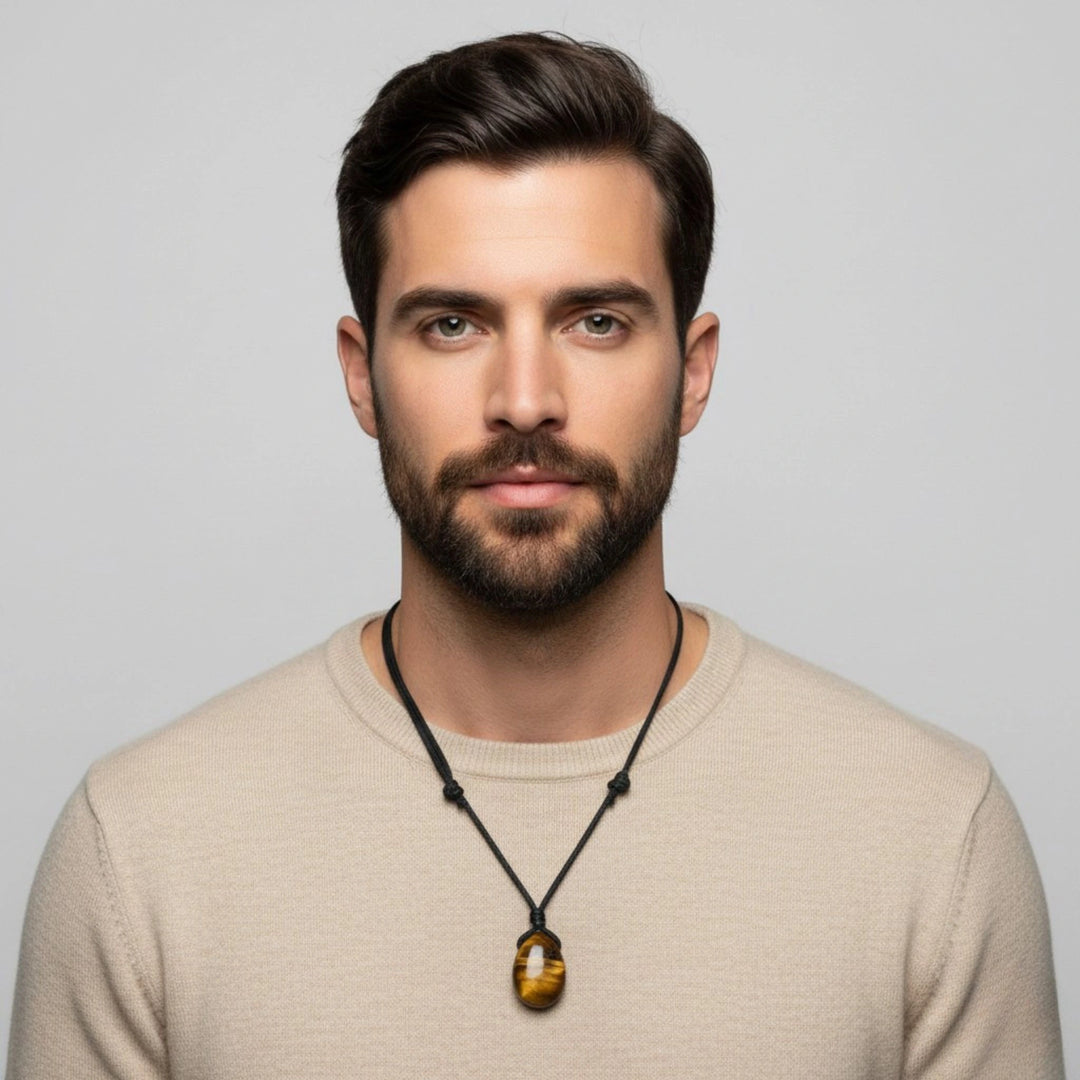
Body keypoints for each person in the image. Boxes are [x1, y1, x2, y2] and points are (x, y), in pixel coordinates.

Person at [7, 31, 1063, 1079]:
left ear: (692, 374)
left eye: (595, 321)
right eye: (453, 324)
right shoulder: (140, 852)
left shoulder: (932, 838)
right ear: (361, 374)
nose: (525, 401)